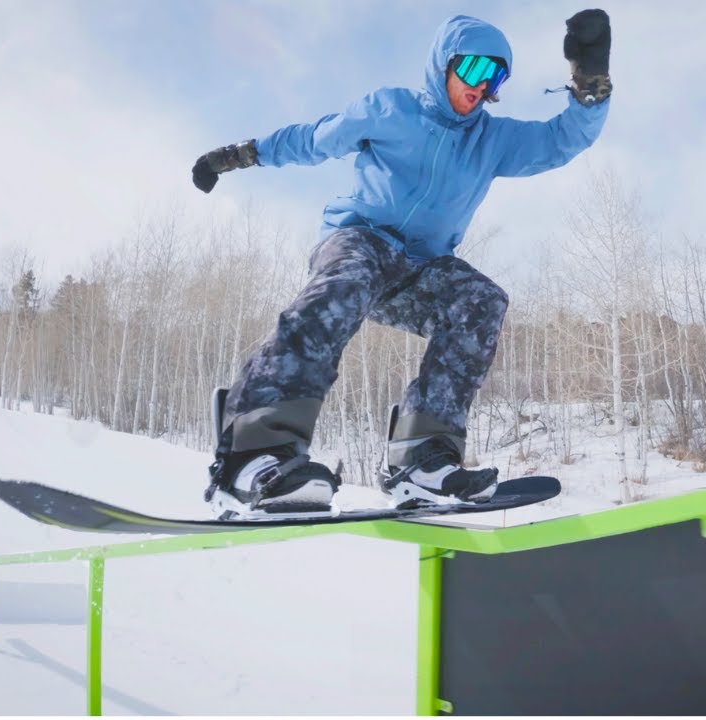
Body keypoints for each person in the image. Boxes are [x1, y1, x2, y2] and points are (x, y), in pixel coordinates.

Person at [190, 11, 612, 518]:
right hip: (360, 241)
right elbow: (314, 138)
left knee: (480, 301)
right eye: (475, 69)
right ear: (444, 63)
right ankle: (255, 454)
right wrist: (236, 156)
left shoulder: (493, 140)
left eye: (497, 76)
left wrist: (590, 80)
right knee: (348, 281)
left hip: (422, 269)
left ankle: (422, 459)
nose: (483, 86)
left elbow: (563, 139)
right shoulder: (390, 110)